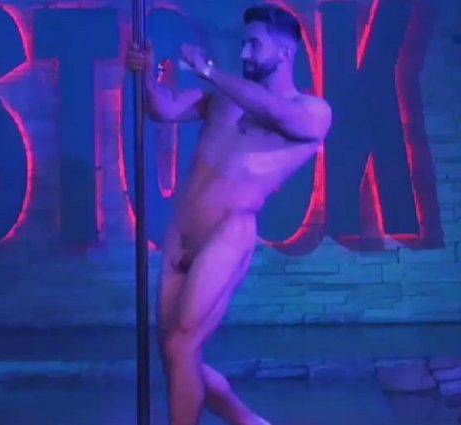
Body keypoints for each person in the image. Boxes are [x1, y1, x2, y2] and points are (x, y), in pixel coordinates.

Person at [126, 4, 332, 425]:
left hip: (228, 231)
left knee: (182, 345)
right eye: (243, 44)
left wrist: (209, 71)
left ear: (286, 52)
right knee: (173, 353)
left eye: (254, 45)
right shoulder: (224, 100)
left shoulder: (312, 112)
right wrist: (145, 75)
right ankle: (247, 421)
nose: (244, 53)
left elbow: (274, 112)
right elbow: (164, 109)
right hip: (181, 232)